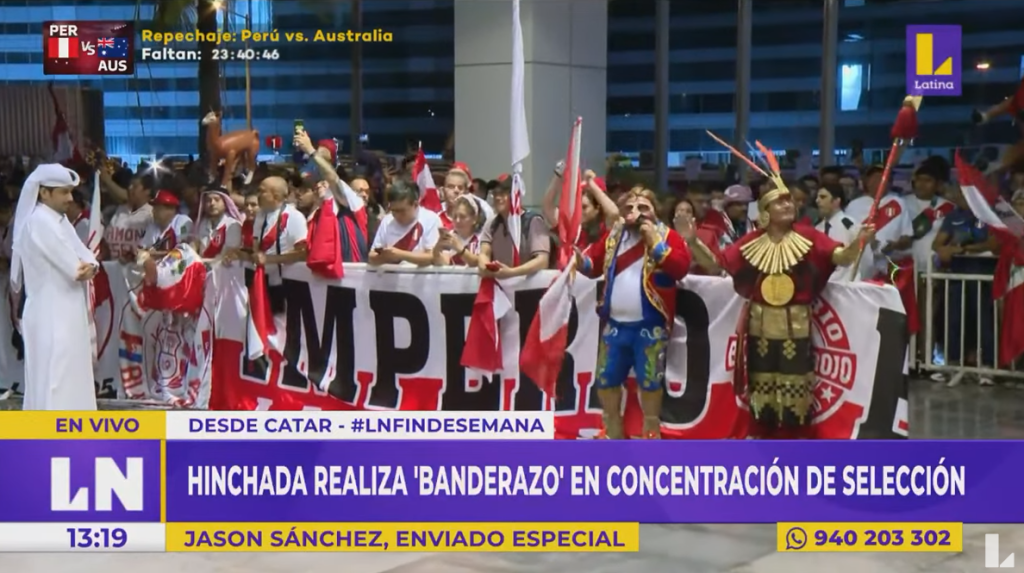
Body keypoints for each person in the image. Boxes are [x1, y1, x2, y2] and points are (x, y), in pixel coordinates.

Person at [679, 144, 874, 439]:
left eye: (789, 202)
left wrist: (859, 241)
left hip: (796, 323)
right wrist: (693, 241)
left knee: (795, 383)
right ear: (766, 212)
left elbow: (842, 258)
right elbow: (717, 264)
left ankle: (793, 439)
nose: (788, 206)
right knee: (761, 381)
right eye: (780, 203)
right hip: (759, 323)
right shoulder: (752, 240)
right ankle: (763, 434)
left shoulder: (808, 235)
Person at [576, 186, 691, 439]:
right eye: (629, 207)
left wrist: (655, 245)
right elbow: (593, 265)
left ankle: (650, 433)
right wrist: (578, 260)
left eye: (643, 207)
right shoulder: (614, 237)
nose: (635, 212)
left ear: (655, 211)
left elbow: (680, 267)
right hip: (616, 325)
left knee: (650, 382)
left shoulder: (668, 236)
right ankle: (613, 433)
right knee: (605, 380)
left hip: (650, 326)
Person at [11, 164, 99, 410]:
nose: (70, 198)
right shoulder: (38, 222)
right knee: (55, 377)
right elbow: (75, 267)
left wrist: (91, 266)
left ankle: (73, 428)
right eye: (64, 192)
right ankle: (52, 431)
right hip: (50, 313)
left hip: (66, 310)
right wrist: (87, 267)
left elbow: (87, 257)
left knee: (69, 373)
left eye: (70, 192)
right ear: (44, 193)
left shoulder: (59, 221)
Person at [931, 184, 998, 386]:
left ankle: (986, 367)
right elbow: (937, 243)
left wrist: (963, 248)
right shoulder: (953, 216)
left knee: (983, 322)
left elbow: (995, 243)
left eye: (962, 193)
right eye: (957, 192)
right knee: (953, 320)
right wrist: (946, 249)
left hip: (982, 276)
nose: (957, 196)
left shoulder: (988, 214)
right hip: (956, 276)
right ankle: (951, 365)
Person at [295, 129, 369, 262]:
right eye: (316, 161)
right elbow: (304, 176)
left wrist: (311, 151)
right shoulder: (314, 205)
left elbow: (333, 179)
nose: (317, 165)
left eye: (323, 160)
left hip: (350, 271)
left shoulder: (350, 198)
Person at [478, 177, 550, 277]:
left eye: (503, 193)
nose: (497, 197)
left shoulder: (533, 221)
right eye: (495, 193)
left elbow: (542, 261)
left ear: (515, 195)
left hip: (526, 284)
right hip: (499, 283)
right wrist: (485, 267)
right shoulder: (492, 223)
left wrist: (512, 272)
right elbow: (484, 253)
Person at [542, 164, 620, 251]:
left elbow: (614, 213)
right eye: (577, 206)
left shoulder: (605, 228)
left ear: (597, 208)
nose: (579, 211)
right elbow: (548, 206)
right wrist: (558, 175)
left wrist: (590, 183)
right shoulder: (571, 227)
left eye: (584, 207)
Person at [369, 177, 441, 266]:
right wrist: (385, 256)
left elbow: (433, 257)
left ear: (415, 204)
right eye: (393, 210)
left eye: (401, 211)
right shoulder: (387, 221)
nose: (397, 215)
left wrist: (400, 254)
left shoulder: (431, 220)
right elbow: (372, 256)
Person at [814, 183, 871, 281]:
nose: (817, 200)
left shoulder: (849, 225)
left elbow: (866, 256)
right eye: (817, 197)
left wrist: (857, 280)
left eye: (823, 197)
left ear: (836, 201)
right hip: (823, 283)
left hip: (845, 283)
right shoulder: (817, 228)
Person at [100, 165, 153, 262]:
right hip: (113, 268)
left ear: (147, 191)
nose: (130, 188)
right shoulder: (120, 210)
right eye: (130, 185)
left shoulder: (151, 215)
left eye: (135, 186)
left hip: (137, 269)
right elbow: (106, 243)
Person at [671, 196, 721, 275]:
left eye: (688, 211)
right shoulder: (663, 236)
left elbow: (714, 269)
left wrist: (693, 242)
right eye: (680, 211)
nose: (684, 215)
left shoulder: (707, 235)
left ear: (693, 217)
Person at [432, 195, 484, 267]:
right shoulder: (451, 236)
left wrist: (459, 248)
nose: (457, 220)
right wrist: (437, 250)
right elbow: (444, 264)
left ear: (474, 219)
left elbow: (479, 263)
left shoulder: (482, 238)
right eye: (454, 216)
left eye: (462, 217)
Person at [192, 185, 243, 259]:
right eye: (208, 200)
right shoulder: (202, 223)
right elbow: (195, 246)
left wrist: (200, 262)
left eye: (217, 200)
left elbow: (226, 256)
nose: (212, 203)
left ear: (225, 203)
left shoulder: (233, 225)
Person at [140, 190, 193, 255]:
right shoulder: (153, 225)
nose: (153, 211)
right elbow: (143, 249)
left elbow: (181, 252)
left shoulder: (182, 221)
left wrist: (153, 254)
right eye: (154, 208)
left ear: (170, 210)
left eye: (157, 208)